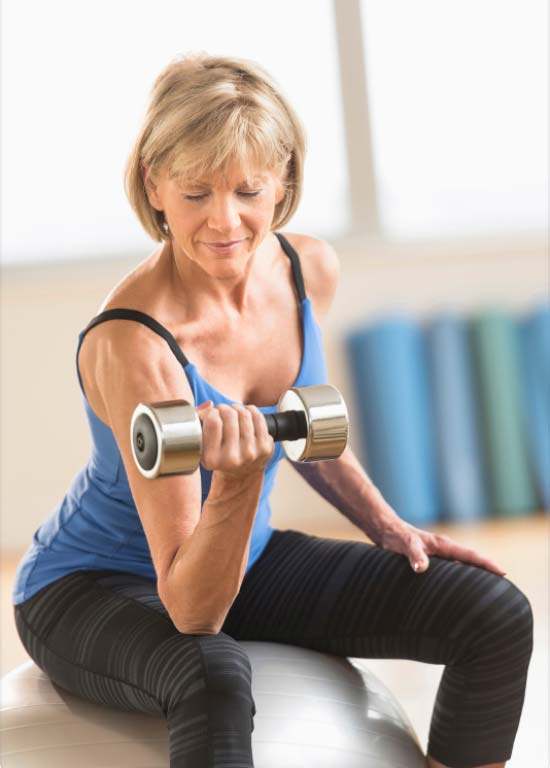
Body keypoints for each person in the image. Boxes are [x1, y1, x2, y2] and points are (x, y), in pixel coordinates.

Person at [12, 53, 533, 768]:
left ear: (283, 180)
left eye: (248, 190)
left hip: (241, 556)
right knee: (212, 676)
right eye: (196, 193)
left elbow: (306, 426)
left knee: (491, 612)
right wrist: (238, 479)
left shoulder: (306, 269)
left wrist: (387, 525)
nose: (224, 220)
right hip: (92, 588)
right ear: (154, 185)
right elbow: (192, 610)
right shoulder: (134, 345)